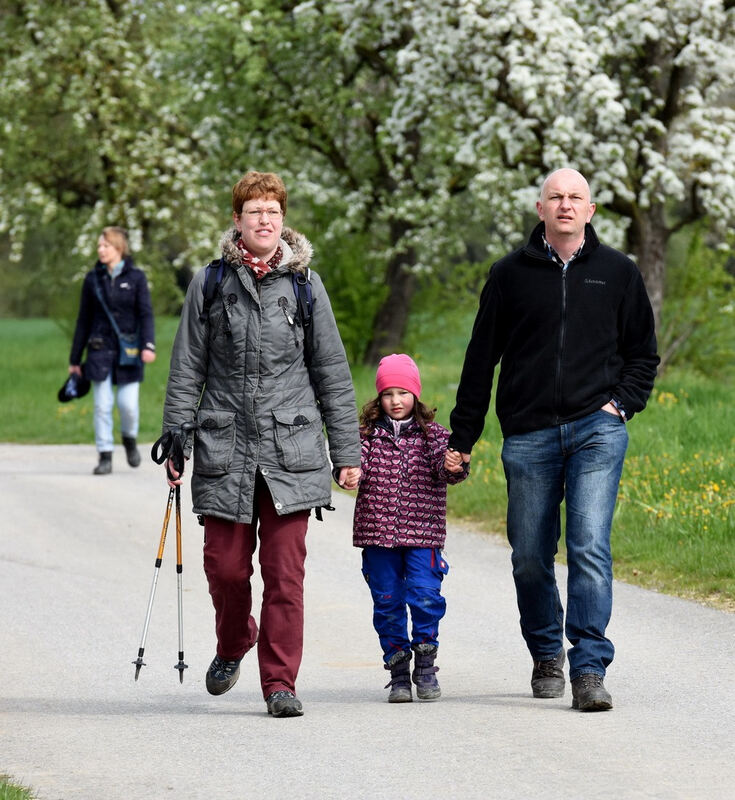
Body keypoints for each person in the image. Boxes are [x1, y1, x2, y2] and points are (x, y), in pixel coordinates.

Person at [446, 168, 659, 711]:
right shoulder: (509, 274)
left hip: (597, 428)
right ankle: (546, 653)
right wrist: (463, 437)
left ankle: (589, 667)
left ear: (590, 211)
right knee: (530, 555)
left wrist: (620, 407)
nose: (565, 205)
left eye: (576, 198)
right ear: (540, 208)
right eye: (555, 197)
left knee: (588, 544)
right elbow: (480, 359)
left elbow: (642, 356)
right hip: (529, 432)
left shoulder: (618, 272)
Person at [161, 170, 361, 718]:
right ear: (238, 221)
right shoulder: (210, 283)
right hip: (225, 449)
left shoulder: (305, 285)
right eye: (254, 211)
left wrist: (346, 452)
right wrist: (176, 438)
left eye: (273, 211)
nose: (265, 220)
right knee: (225, 570)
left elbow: (332, 373)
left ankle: (279, 683)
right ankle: (233, 642)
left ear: (283, 220)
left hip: (290, 452)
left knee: (285, 575)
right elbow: (186, 367)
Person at [353, 353, 468, 703]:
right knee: (386, 601)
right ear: (379, 398)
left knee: (424, 595)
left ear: (415, 394)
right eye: (388, 394)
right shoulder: (368, 435)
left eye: (403, 393)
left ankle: (426, 663)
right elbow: (352, 463)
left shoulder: (433, 435)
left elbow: (446, 470)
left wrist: (453, 464)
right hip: (378, 535)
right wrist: (348, 471)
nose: (396, 401)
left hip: (423, 534)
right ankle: (399, 670)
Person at [69, 226, 156, 475]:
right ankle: (105, 454)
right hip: (98, 350)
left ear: (119, 248)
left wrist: (148, 345)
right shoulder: (92, 279)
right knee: (102, 404)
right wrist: (75, 358)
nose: (100, 250)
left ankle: (129, 439)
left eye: (105, 245)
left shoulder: (137, 277)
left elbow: (146, 314)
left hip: (128, 351)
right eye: (99, 246)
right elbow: (83, 320)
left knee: (128, 404)